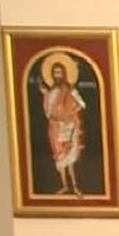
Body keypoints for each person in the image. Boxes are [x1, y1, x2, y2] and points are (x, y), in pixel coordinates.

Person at [39, 57, 85, 196]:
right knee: (60, 158)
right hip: (55, 127)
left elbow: (81, 104)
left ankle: (75, 186)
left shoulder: (69, 89)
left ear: (64, 73)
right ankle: (64, 186)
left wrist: (69, 114)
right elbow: (48, 112)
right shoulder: (51, 92)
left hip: (68, 126)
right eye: (55, 73)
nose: (57, 75)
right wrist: (45, 95)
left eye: (60, 72)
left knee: (69, 158)